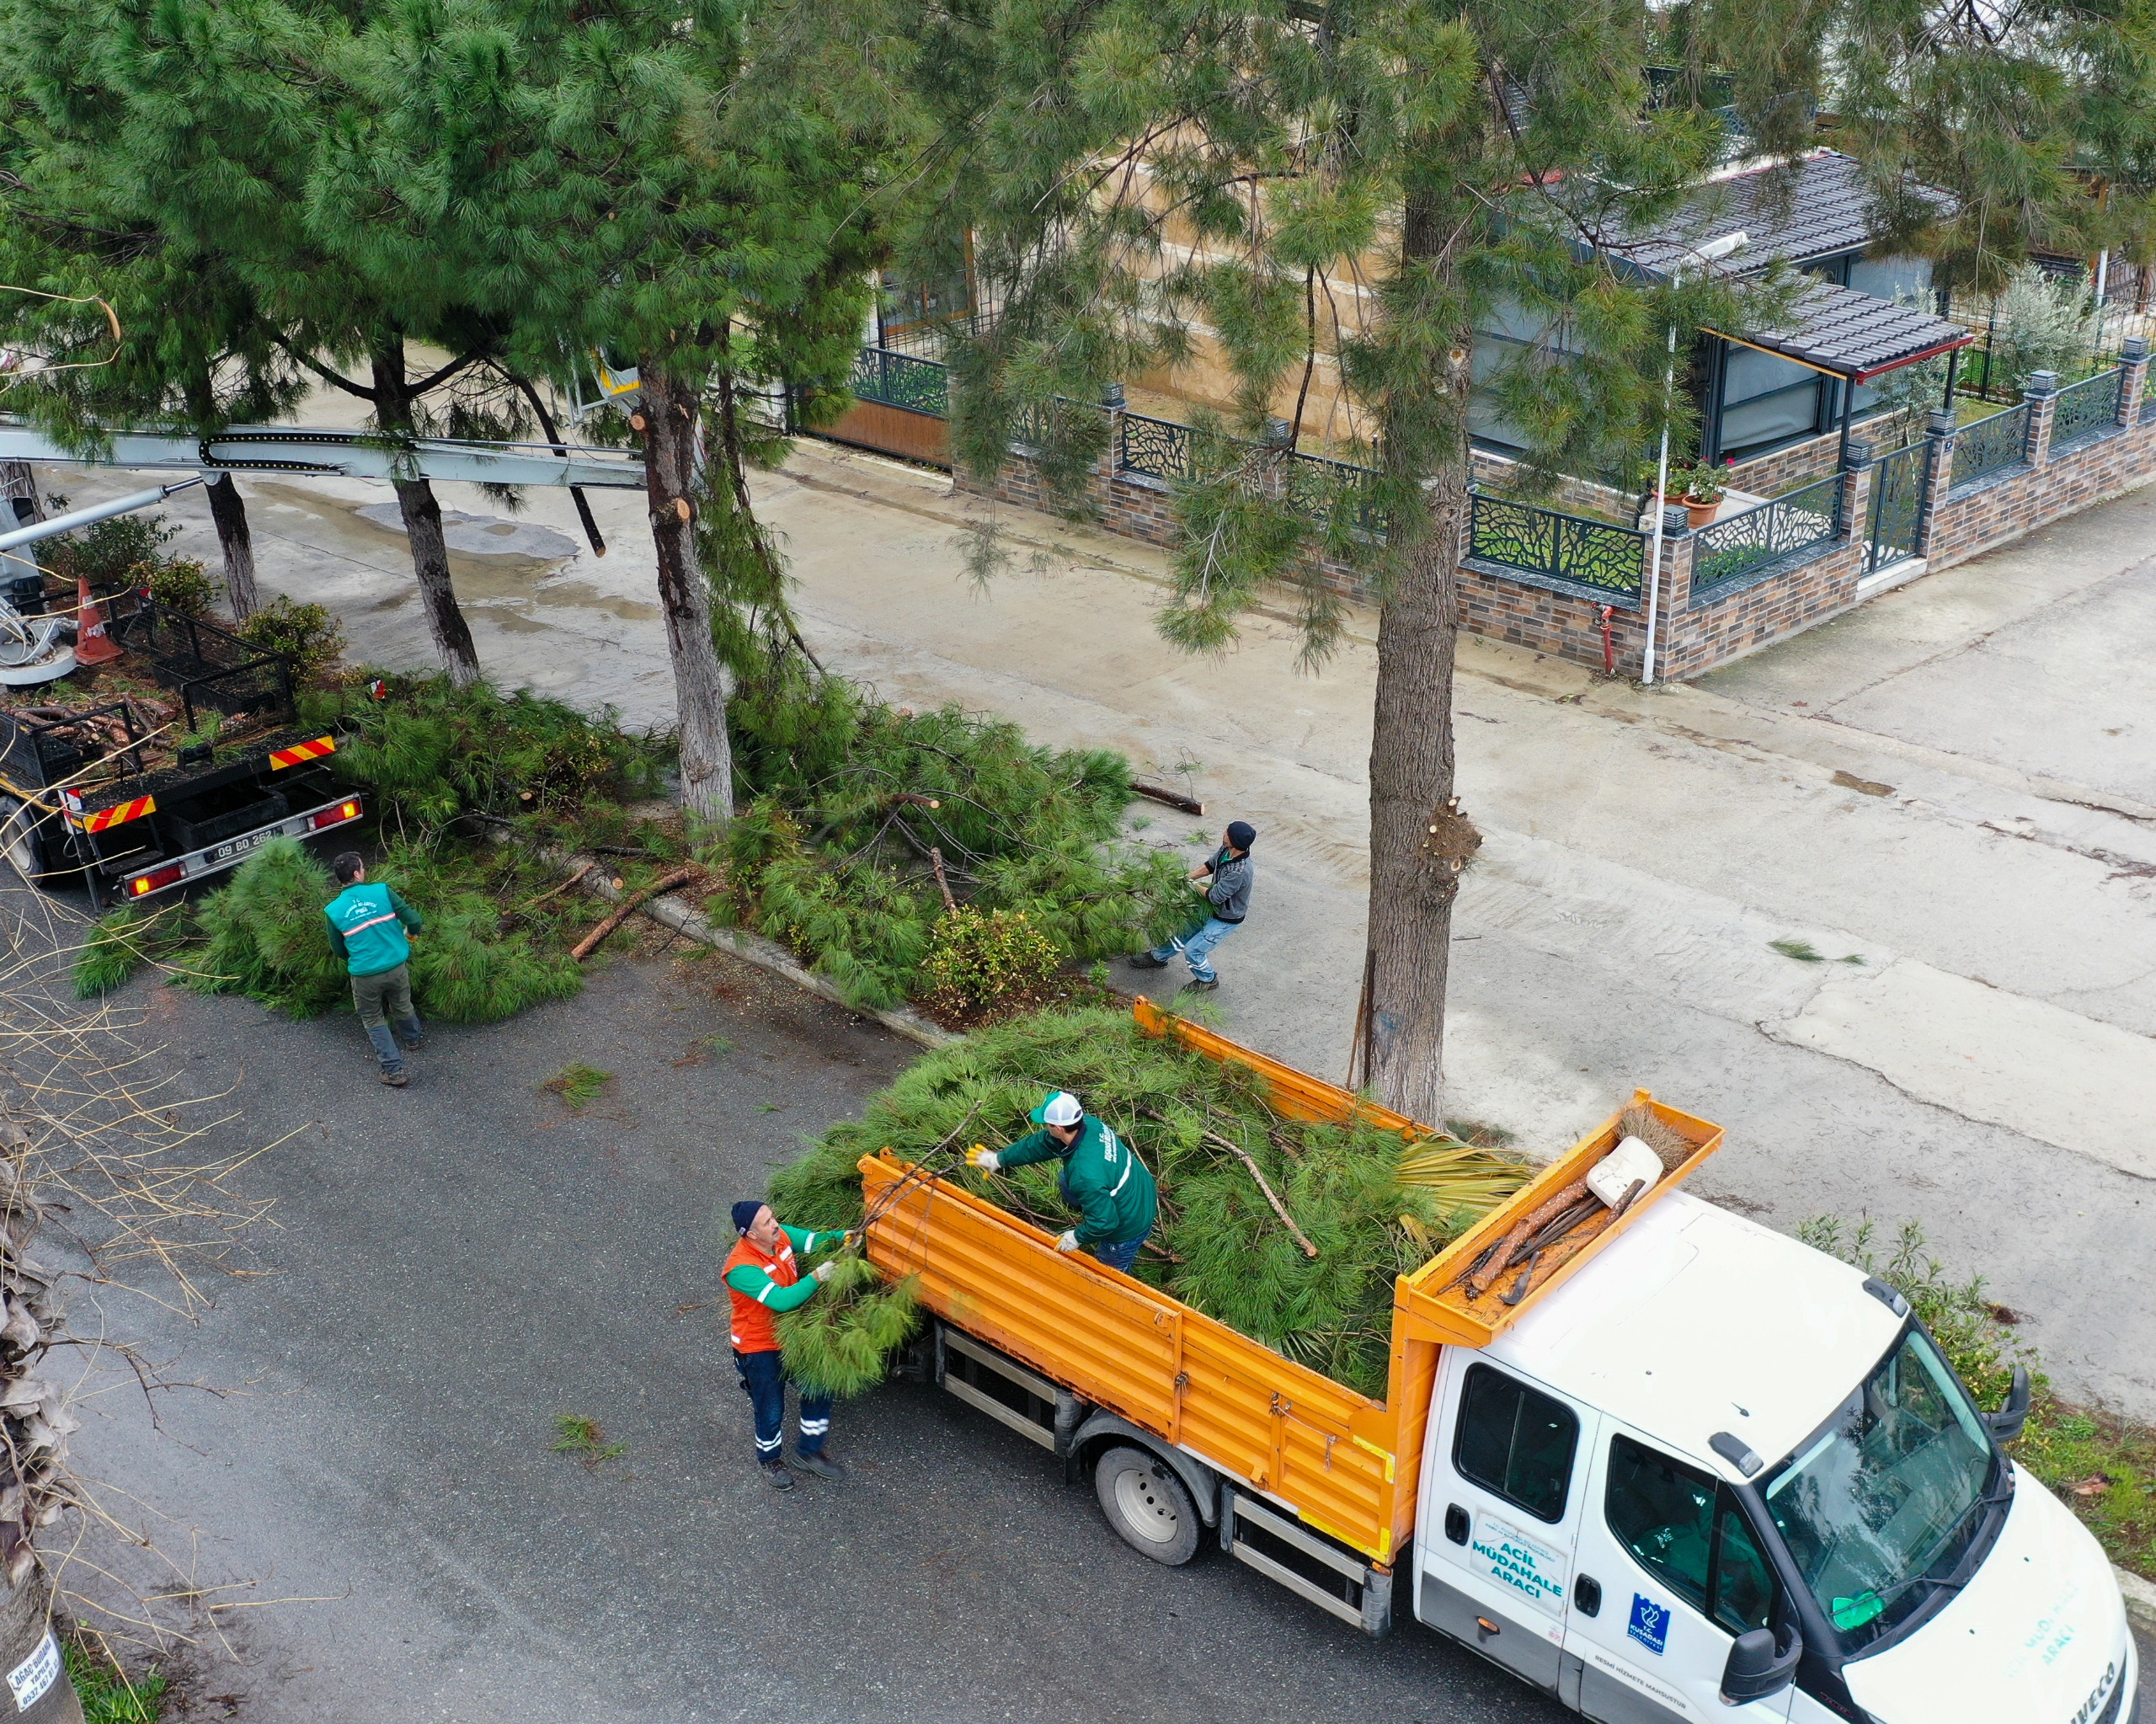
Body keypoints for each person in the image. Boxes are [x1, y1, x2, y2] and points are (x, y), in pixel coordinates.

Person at [723, 1201, 853, 1489]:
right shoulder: (740, 1268)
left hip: (788, 1337)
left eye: (773, 1217)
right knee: (770, 1409)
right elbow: (782, 1301)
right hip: (758, 1348)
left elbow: (815, 1240)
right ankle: (769, 1459)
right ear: (751, 1235)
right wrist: (818, 1276)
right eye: (767, 1222)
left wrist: (847, 1236)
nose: (776, 1224)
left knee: (818, 1385)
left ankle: (808, 1451)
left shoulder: (779, 1236)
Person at [966, 1091, 1156, 1273]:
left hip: (1130, 1221)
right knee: (1067, 1181)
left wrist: (1077, 1236)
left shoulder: (1085, 1175)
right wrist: (999, 1159)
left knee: (1108, 1271)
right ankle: (1095, 1206)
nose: (1045, 1128)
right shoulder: (1089, 1124)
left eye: (1047, 1124)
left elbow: (1106, 1222)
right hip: (1140, 1188)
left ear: (1058, 1128)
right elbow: (1040, 1144)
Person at [324, 852, 425, 1087]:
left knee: (372, 1017)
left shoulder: (333, 910)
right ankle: (413, 1039)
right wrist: (409, 937)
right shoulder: (382, 891)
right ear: (357, 873)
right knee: (401, 1003)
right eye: (363, 867)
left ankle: (394, 1071)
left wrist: (362, 958)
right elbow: (415, 920)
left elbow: (339, 949)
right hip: (396, 965)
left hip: (364, 975)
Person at [1129, 819, 1255, 992]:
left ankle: (1208, 979)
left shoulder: (1239, 871)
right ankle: (1158, 957)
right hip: (1209, 908)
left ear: (1235, 841)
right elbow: (1209, 866)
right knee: (1182, 932)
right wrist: (1187, 877)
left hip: (1225, 918)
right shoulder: (1226, 850)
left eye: (1228, 832)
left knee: (1193, 950)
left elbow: (1214, 897)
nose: (1224, 833)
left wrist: (1191, 885)